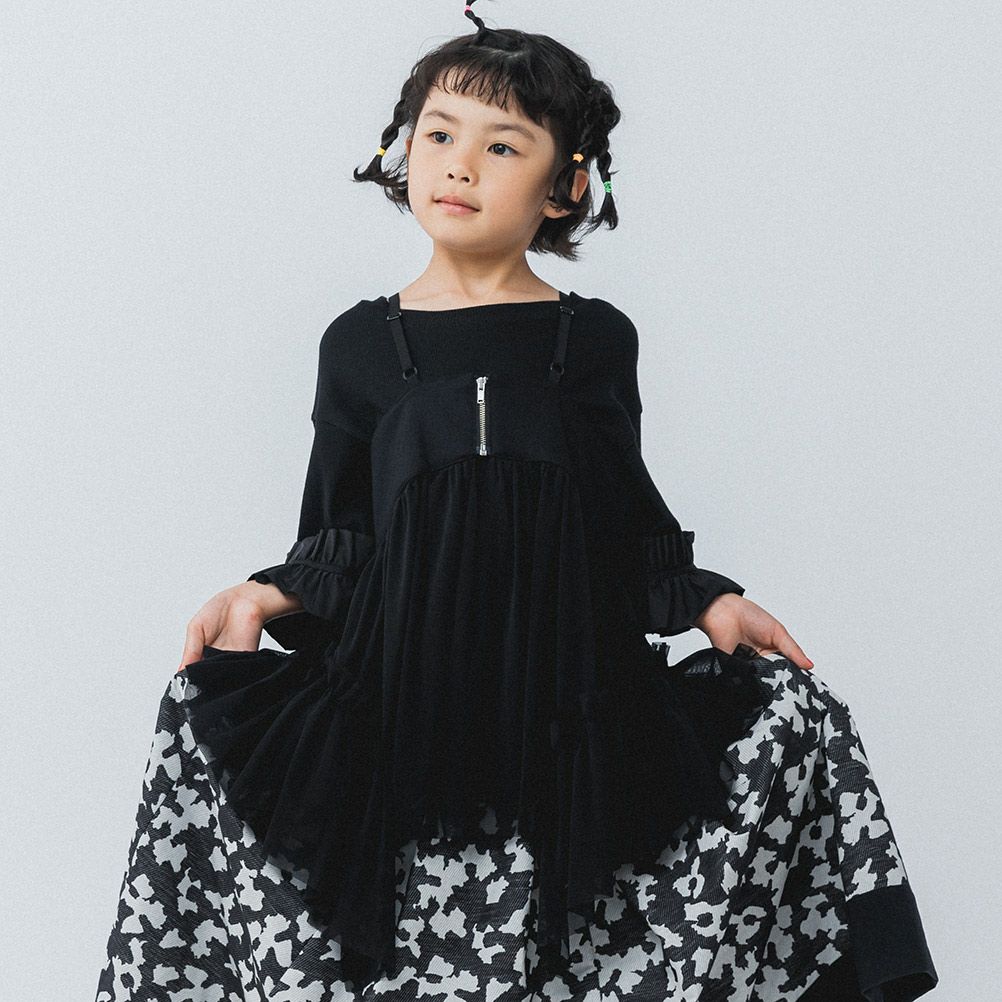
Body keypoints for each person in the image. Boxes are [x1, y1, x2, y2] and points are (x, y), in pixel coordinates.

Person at [95, 5, 939, 1000]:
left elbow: (625, 521)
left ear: (565, 184)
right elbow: (340, 535)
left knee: (793, 719)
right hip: (399, 716)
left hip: (571, 719)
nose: (459, 165)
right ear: (402, 149)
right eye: (439, 134)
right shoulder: (358, 346)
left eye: (502, 146)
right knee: (216, 740)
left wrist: (708, 600)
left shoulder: (595, 341)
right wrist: (261, 595)